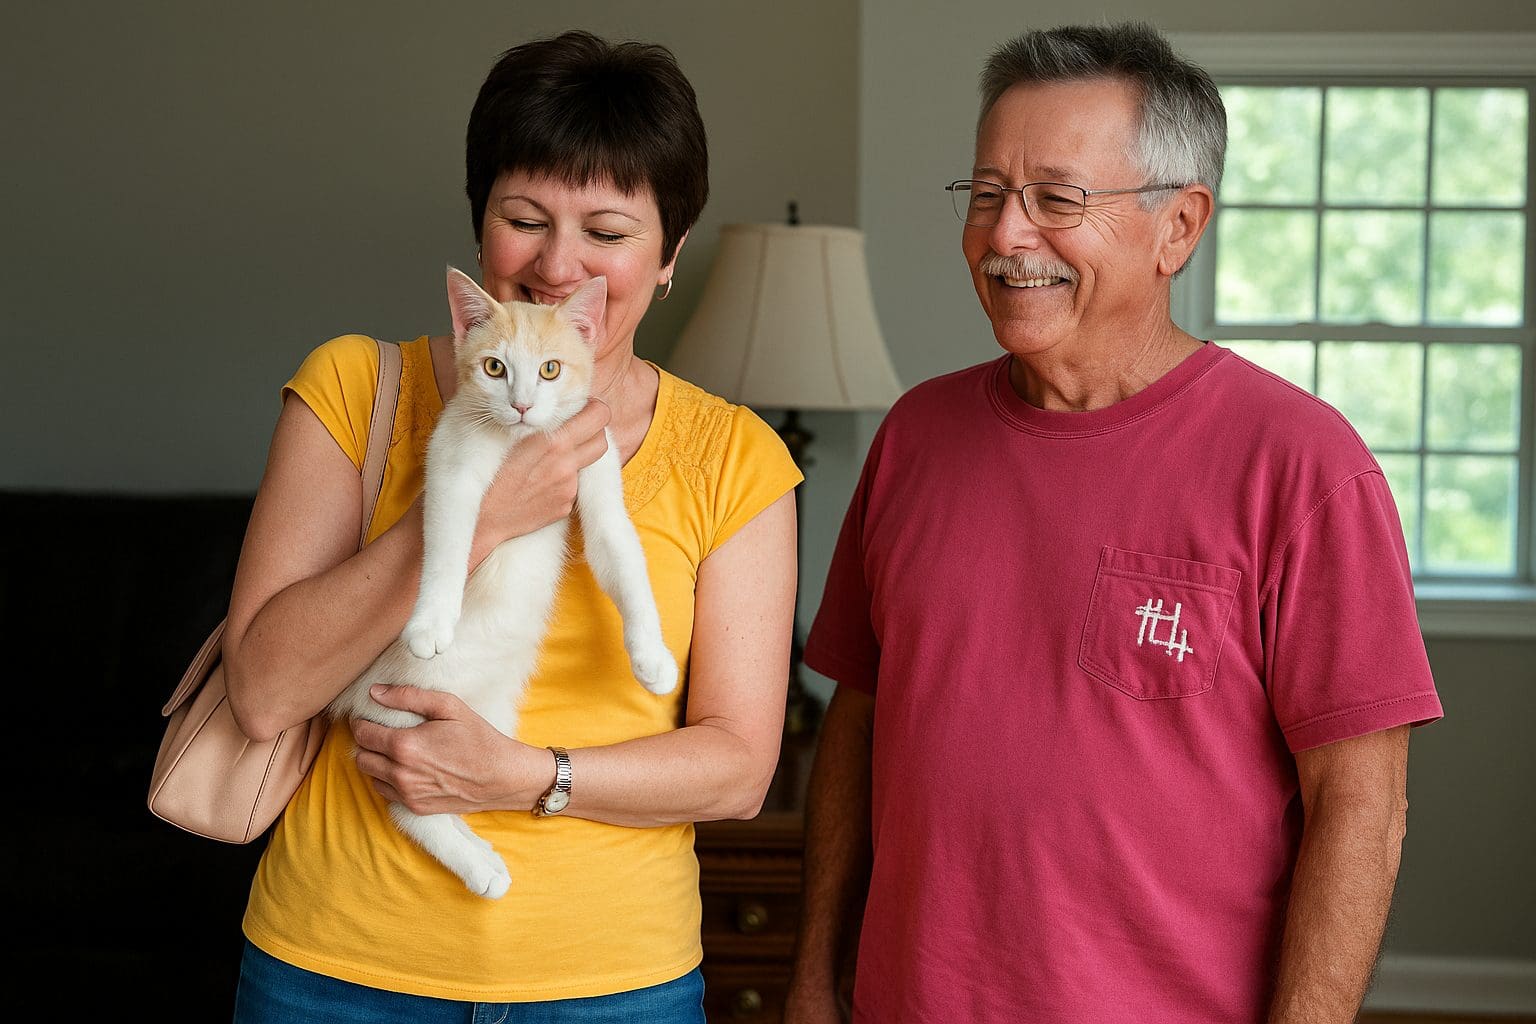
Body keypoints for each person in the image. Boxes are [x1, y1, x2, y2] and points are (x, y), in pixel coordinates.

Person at [784, 21, 1444, 1024]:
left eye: (1056, 199)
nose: (1006, 236)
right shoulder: (916, 435)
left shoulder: (1303, 466)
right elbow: (858, 725)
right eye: (989, 194)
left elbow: (1364, 805)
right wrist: (812, 981)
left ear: (1178, 226)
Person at [220, 29, 802, 1021]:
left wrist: (528, 776)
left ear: (670, 257)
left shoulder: (729, 454)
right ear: (480, 227)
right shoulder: (358, 390)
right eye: (523, 218)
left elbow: (741, 767)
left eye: (608, 233)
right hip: (338, 968)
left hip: (613, 984)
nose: (556, 263)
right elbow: (263, 691)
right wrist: (481, 516)